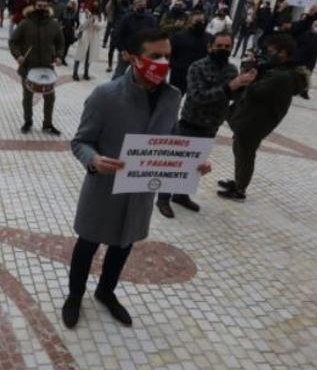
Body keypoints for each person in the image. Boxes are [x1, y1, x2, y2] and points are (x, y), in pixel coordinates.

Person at [64, 29, 211, 328]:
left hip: (141, 190)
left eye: (167, 56)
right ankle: (75, 296)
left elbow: (170, 139)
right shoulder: (105, 96)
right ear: (132, 57)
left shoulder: (172, 96)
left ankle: (106, 292)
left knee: (124, 245)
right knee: (87, 245)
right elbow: (80, 142)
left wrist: (192, 162)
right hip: (104, 188)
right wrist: (93, 160)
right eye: (155, 56)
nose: (163, 62)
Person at [156, 32, 255, 218]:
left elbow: (234, 97)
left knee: (194, 165)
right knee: (175, 164)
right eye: (219, 46)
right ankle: (162, 198)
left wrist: (244, 85)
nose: (223, 50)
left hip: (211, 126)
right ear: (210, 47)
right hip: (190, 123)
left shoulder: (232, 70)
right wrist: (229, 87)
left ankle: (180, 195)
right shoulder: (197, 67)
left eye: (227, 47)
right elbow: (197, 96)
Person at [219, 35, 309, 201]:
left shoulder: (281, 76)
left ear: (283, 53)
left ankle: (240, 189)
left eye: (272, 51)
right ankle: (239, 181)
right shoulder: (280, 72)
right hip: (254, 118)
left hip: (255, 122)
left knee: (245, 154)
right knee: (241, 151)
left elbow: (254, 91)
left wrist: (248, 74)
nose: (268, 54)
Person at [9, 0, 65, 135]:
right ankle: (28, 122)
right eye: (39, 6)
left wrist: (59, 56)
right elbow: (13, 42)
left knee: (50, 97)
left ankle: (47, 124)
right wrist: (18, 56)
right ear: (34, 6)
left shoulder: (53, 24)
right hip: (28, 67)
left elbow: (60, 42)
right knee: (27, 97)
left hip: (47, 67)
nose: (42, 8)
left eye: (45, 6)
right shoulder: (25, 23)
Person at [111, 0, 157, 79]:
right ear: (134, 6)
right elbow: (117, 35)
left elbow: (154, 36)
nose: (141, 6)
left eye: (143, 4)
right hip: (127, 53)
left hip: (143, 54)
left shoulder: (151, 19)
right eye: (139, 4)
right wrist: (122, 51)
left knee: (140, 77)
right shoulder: (127, 18)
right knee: (119, 74)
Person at [168, 12, 210, 94]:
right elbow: (169, 52)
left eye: (202, 21)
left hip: (199, 77)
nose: (200, 23)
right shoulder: (179, 37)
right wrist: (175, 66)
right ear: (190, 22)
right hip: (179, 75)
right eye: (197, 21)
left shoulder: (209, 38)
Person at [293, 19, 317, 99]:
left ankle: (304, 91)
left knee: (307, 75)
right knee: (297, 73)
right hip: (301, 57)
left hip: (312, 58)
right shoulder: (305, 34)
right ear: (312, 26)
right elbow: (298, 44)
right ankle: (295, 88)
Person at [73, 2, 101, 81]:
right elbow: (82, 24)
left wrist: (94, 21)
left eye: (96, 5)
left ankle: (86, 72)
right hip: (85, 36)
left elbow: (100, 26)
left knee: (89, 56)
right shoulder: (84, 14)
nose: (95, 6)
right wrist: (89, 17)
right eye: (94, 4)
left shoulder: (100, 16)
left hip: (93, 38)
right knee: (79, 55)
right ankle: (75, 73)